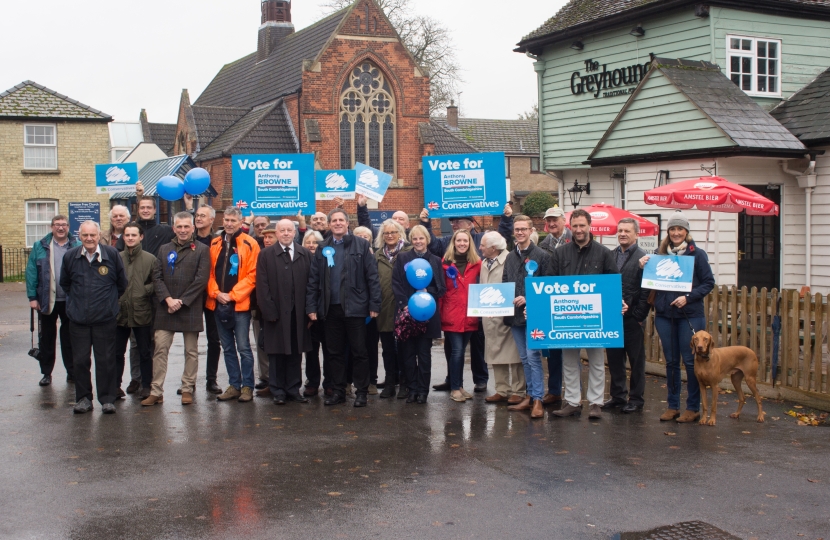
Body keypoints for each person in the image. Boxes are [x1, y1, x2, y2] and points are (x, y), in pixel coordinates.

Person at [421, 207, 513, 394]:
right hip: (453, 311)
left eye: (459, 221)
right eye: (452, 222)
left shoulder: (480, 243)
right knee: (454, 349)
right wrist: (426, 222)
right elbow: (432, 245)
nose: (454, 224)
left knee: (476, 347)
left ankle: (479, 380)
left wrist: (506, 218)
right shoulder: (447, 246)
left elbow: (501, 239)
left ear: (471, 224)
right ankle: (453, 382)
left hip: (477, 309)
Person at [640, 211, 715, 424]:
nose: (676, 233)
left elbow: (708, 283)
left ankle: (692, 407)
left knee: (691, 362)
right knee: (671, 362)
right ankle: (673, 405)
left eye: (680, 229)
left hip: (689, 315)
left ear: (686, 232)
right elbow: (648, 284)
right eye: (672, 229)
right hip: (665, 315)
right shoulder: (659, 253)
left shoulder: (697, 254)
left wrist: (688, 298)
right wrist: (643, 267)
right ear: (668, 232)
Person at [306, 208, 381, 408]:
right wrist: (312, 306)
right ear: (330, 225)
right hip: (330, 309)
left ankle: (361, 392)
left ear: (348, 223)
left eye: (341, 220)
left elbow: (372, 277)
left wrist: (374, 304)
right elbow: (313, 280)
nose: (338, 223)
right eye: (334, 220)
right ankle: (338, 391)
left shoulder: (362, 245)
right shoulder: (323, 247)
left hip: (356, 308)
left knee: (359, 352)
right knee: (334, 353)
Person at [549, 209, 620, 420]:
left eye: (582, 225)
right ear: (570, 227)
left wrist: (619, 303)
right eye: (575, 226)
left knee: (597, 361)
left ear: (589, 226)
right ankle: (572, 402)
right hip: (567, 317)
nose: (579, 230)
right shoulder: (560, 253)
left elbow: (613, 284)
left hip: (594, 318)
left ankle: (596, 403)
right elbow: (549, 283)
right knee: (569, 362)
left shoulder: (603, 253)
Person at [142, 212, 210, 406]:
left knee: (191, 351)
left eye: (186, 227)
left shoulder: (202, 250)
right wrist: (168, 299)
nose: (182, 230)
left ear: (192, 228)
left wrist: (182, 301)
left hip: (190, 307)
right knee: (160, 350)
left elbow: (201, 280)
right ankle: (156, 391)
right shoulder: (164, 249)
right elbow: (157, 277)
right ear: (174, 228)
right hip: (166, 307)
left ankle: (187, 387)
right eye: (179, 227)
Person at [60, 221, 128, 414]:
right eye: (85, 235)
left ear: (99, 235)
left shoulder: (111, 255)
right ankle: (83, 399)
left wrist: (108, 303)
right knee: (80, 361)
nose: (89, 239)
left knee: (106, 360)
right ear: (79, 236)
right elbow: (65, 284)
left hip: (104, 319)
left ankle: (107, 399)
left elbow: (122, 283)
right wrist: (77, 304)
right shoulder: (70, 257)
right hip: (78, 320)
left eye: (92, 235)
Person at [256, 219, 313, 405]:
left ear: (295, 233)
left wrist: (309, 310)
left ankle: (293, 388)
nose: (286, 233)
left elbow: (312, 284)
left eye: (290, 230)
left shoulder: (305, 254)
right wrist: (269, 311)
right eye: (283, 230)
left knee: (295, 352)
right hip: (276, 313)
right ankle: (278, 390)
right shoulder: (266, 255)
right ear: (277, 233)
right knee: (276, 353)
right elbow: (262, 286)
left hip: (298, 313)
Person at [207, 207, 260, 403]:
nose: (229, 224)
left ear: (240, 223)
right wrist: (216, 293)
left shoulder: (250, 243)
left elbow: (253, 274)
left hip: (239, 305)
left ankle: (247, 386)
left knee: (244, 348)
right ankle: (234, 385)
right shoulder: (214, 243)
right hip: (218, 303)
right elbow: (208, 273)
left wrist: (232, 295)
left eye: (233, 221)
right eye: (226, 220)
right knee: (227, 348)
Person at [503, 214, 550, 419]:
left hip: (534, 314)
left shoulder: (542, 255)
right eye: (517, 229)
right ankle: (530, 396)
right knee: (524, 357)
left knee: (533, 357)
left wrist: (529, 298)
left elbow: (548, 287)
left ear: (531, 230)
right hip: (515, 316)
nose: (520, 232)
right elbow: (505, 282)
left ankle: (538, 398)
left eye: (524, 229)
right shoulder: (510, 257)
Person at [25, 214, 81, 386]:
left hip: (70, 300)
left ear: (68, 227)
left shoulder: (77, 245)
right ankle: (46, 373)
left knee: (70, 338)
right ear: (52, 227)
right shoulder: (39, 246)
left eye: (63, 224)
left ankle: (71, 372)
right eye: (57, 224)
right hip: (46, 299)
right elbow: (32, 272)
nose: (60, 228)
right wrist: (32, 297)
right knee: (47, 338)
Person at [392, 225, 445, 403]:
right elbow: (396, 283)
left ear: (427, 240)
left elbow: (440, 288)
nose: (418, 242)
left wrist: (426, 291)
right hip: (407, 314)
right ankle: (412, 389)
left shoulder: (435, 260)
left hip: (426, 314)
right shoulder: (402, 258)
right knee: (407, 355)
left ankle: (423, 391)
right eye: (414, 238)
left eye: (421, 238)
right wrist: (405, 305)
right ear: (410, 240)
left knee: (423, 355)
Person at [603, 218, 651, 414]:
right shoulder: (610, 255)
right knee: (615, 359)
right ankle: (618, 396)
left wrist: (639, 315)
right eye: (620, 230)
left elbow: (647, 290)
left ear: (636, 235)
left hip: (633, 318)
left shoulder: (644, 257)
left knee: (636, 361)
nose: (622, 234)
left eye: (627, 231)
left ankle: (636, 398)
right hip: (613, 317)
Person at [479, 231, 526, 405]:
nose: (480, 247)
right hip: (489, 314)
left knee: (514, 353)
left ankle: (519, 390)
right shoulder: (484, 262)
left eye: (483, 245)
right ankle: (502, 389)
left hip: (508, 313)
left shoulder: (510, 259)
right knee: (494, 350)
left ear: (493, 247)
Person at [439, 229, 482, 403]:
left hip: (471, 314)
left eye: (465, 240)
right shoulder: (445, 263)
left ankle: (459, 385)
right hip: (451, 313)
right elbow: (442, 290)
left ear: (470, 243)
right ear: (454, 242)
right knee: (457, 351)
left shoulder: (477, 263)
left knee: (460, 351)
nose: (462, 243)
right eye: (459, 241)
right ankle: (455, 388)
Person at [115, 222, 157, 400]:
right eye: (127, 235)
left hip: (142, 311)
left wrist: (143, 291)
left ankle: (146, 385)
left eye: (134, 235)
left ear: (141, 237)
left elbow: (157, 282)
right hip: (120, 312)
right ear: (123, 237)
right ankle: (115, 386)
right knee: (117, 352)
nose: (130, 238)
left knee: (144, 351)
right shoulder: (116, 257)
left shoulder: (150, 259)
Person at [537, 205, 571, 406]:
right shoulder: (543, 245)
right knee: (553, 351)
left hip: (572, 300)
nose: (551, 223)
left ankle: (574, 395)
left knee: (572, 350)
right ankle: (555, 390)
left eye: (555, 219)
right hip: (550, 302)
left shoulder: (574, 240)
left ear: (563, 221)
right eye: (548, 220)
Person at [374, 219, 410, 398]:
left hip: (405, 308)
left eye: (393, 232)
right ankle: (390, 383)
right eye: (386, 233)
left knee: (404, 349)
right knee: (387, 349)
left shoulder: (409, 252)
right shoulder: (377, 255)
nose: (389, 236)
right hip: (384, 308)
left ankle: (405, 384)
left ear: (400, 234)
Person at [194, 204, 223, 394]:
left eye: (203, 216)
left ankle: (211, 380)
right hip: (193, 296)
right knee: (191, 342)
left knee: (214, 339)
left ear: (212, 219)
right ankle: (188, 382)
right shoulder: (189, 239)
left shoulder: (219, 241)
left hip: (212, 295)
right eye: (197, 215)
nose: (198, 218)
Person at [300, 230, 331, 397]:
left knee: (329, 350)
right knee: (311, 352)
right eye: (308, 242)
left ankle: (329, 383)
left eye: (315, 242)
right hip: (309, 313)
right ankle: (312, 382)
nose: (311, 245)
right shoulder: (300, 261)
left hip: (326, 312)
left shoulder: (328, 259)